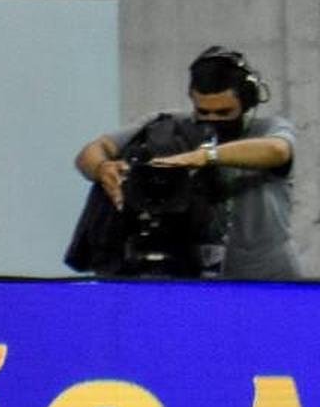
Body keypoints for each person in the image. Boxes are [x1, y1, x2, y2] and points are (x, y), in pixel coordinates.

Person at [75, 46, 303, 280]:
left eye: (224, 112)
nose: (213, 119)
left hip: (267, 276)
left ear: (246, 102)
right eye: (203, 111)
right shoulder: (169, 126)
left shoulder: (268, 129)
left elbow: (278, 150)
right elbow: (91, 152)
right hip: (191, 272)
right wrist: (102, 168)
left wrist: (202, 156)